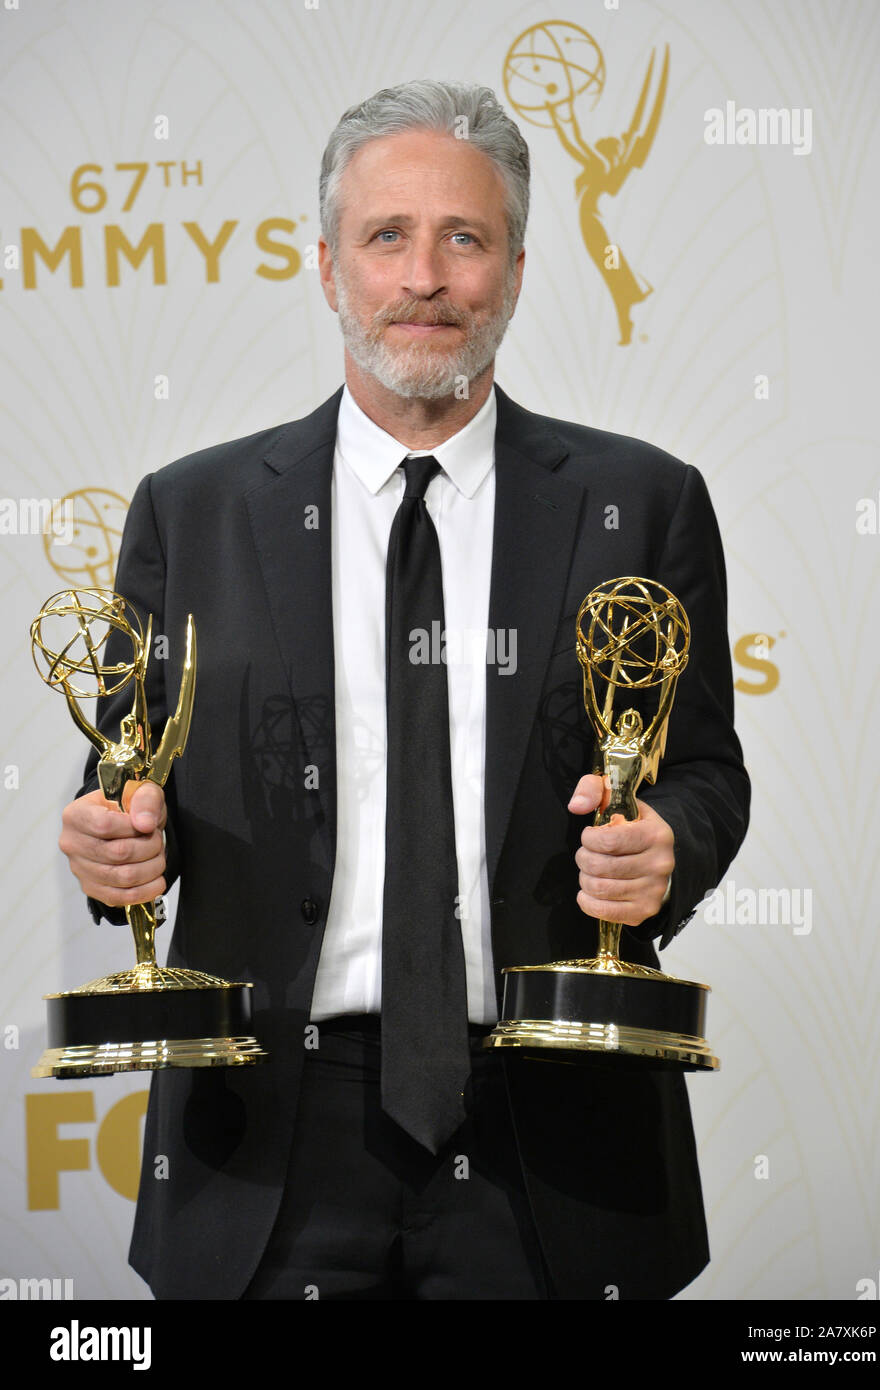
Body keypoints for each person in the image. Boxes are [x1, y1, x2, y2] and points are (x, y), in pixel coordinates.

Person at [58, 79, 749, 1300]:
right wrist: (115, 843)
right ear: (328, 267)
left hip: (558, 1130)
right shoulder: (193, 509)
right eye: (387, 236)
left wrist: (668, 848)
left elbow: (700, 772)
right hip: (265, 1133)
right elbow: (127, 769)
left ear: (516, 272)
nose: (423, 277)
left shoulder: (639, 502)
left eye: (462, 238)